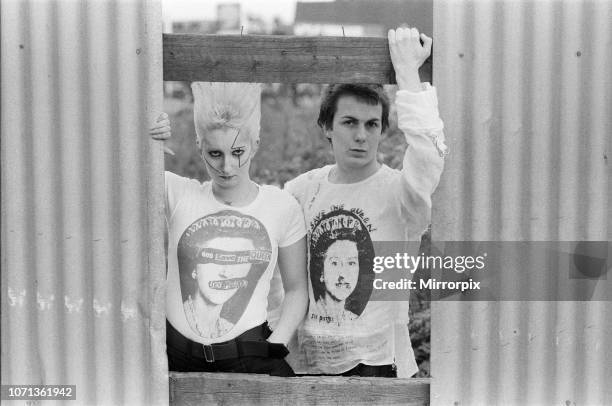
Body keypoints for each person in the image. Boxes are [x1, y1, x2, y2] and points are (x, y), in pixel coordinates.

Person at [270, 26, 447, 378]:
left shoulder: (401, 195)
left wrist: (408, 74)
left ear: (383, 129)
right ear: (327, 126)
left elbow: (429, 154)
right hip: (308, 365)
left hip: (376, 364)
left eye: (372, 124)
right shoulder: (301, 190)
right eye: (349, 122)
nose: (361, 136)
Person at [150, 82, 308, 376]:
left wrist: (277, 343)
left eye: (238, 151)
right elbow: (117, 168)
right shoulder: (179, 193)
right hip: (176, 360)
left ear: (255, 144)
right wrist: (149, 138)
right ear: (200, 148)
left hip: (249, 357)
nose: (227, 166)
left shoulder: (281, 206)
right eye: (215, 153)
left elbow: (297, 288)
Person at [309, 210, 374, 326]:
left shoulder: (357, 321)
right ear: (321, 271)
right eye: (335, 263)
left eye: (351, 263)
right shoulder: (310, 318)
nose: (343, 274)